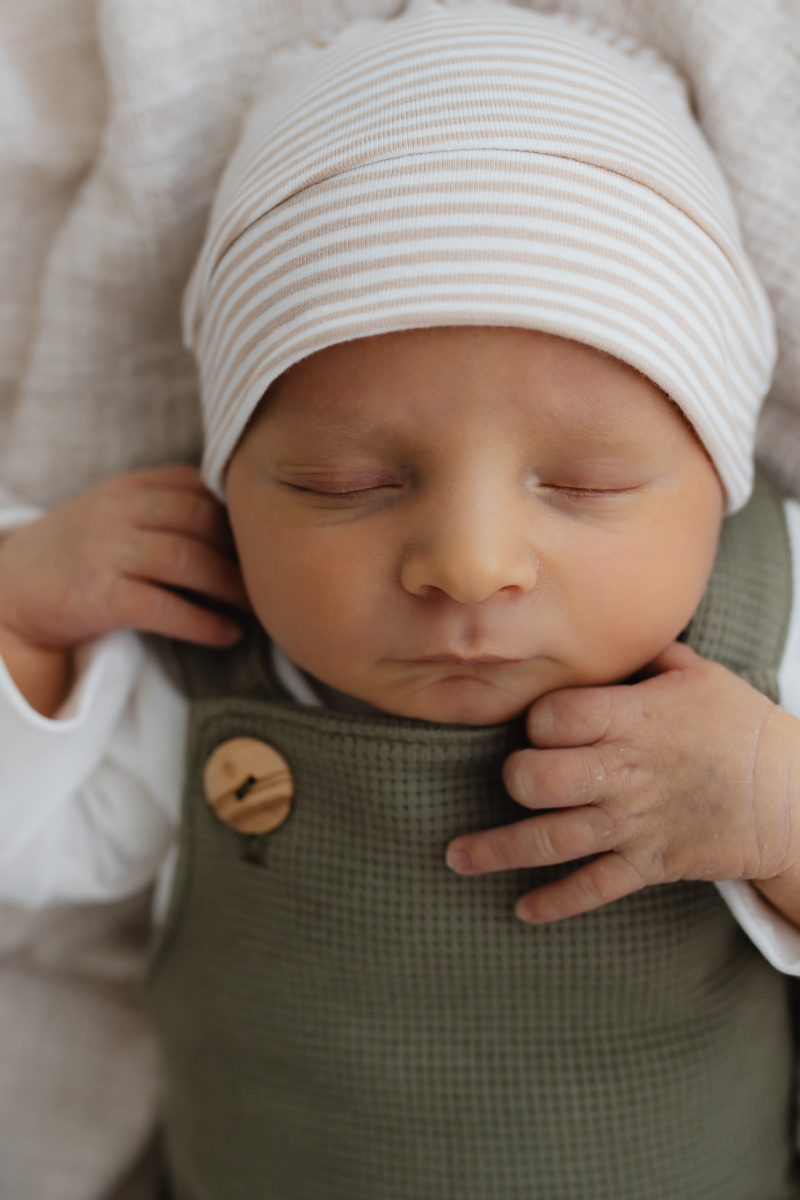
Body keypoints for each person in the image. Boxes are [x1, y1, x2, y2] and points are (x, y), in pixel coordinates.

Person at [1, 2, 800, 1195]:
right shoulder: (203, 663)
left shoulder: (767, 629)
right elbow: (30, 854)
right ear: (232, 492)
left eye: (580, 484)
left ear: (714, 482)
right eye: (346, 484)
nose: (469, 565)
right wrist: (21, 622)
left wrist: (768, 808)